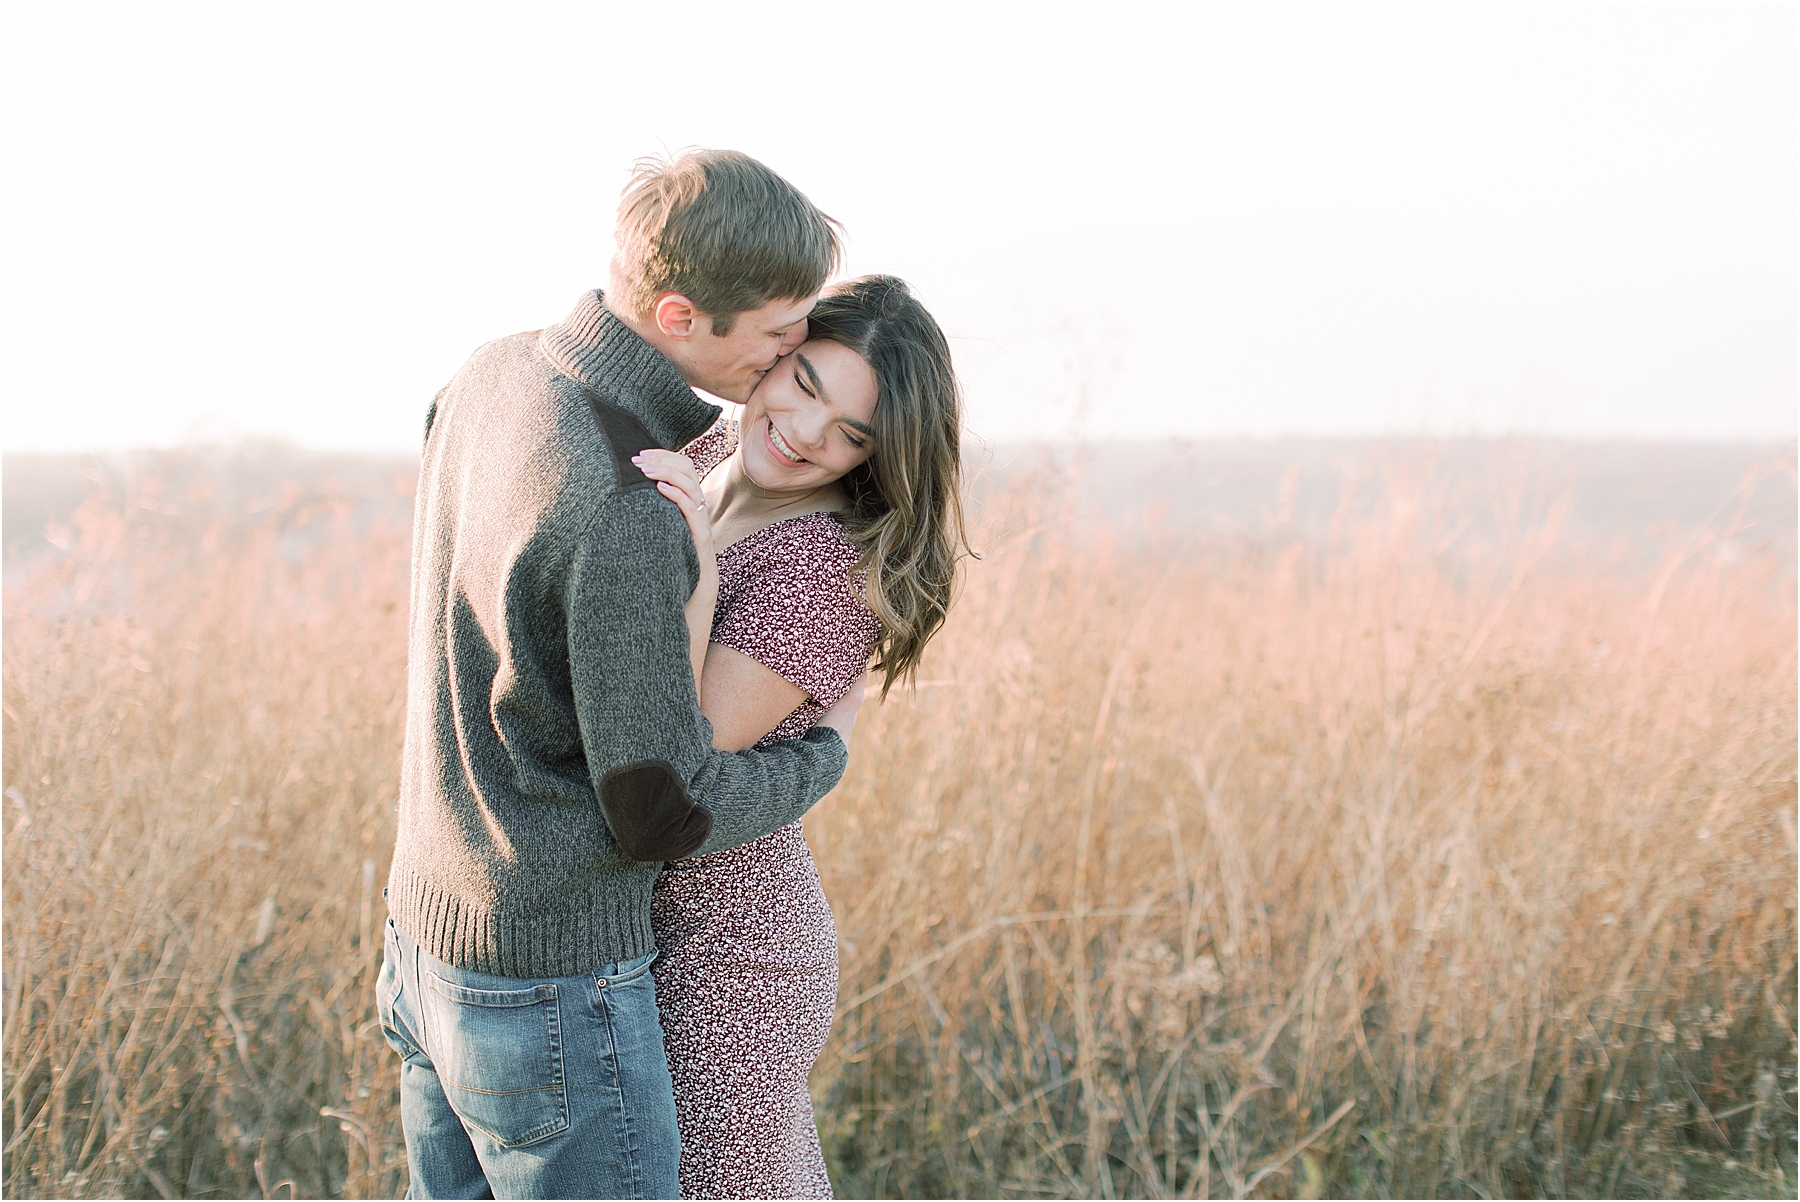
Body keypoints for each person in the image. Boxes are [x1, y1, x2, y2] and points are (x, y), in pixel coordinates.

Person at [376, 150, 868, 1199]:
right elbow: (659, 805)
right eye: (781, 331)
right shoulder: (631, 502)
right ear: (685, 314)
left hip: (423, 939)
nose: (791, 353)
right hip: (547, 981)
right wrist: (817, 760)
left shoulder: (487, 375)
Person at [635, 274, 971, 1198]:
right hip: (636, 928)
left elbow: (679, 750)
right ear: (776, 351)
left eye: (852, 434)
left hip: (725, 955)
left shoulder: (819, 568)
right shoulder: (705, 450)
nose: (808, 434)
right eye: (809, 385)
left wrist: (695, 563)